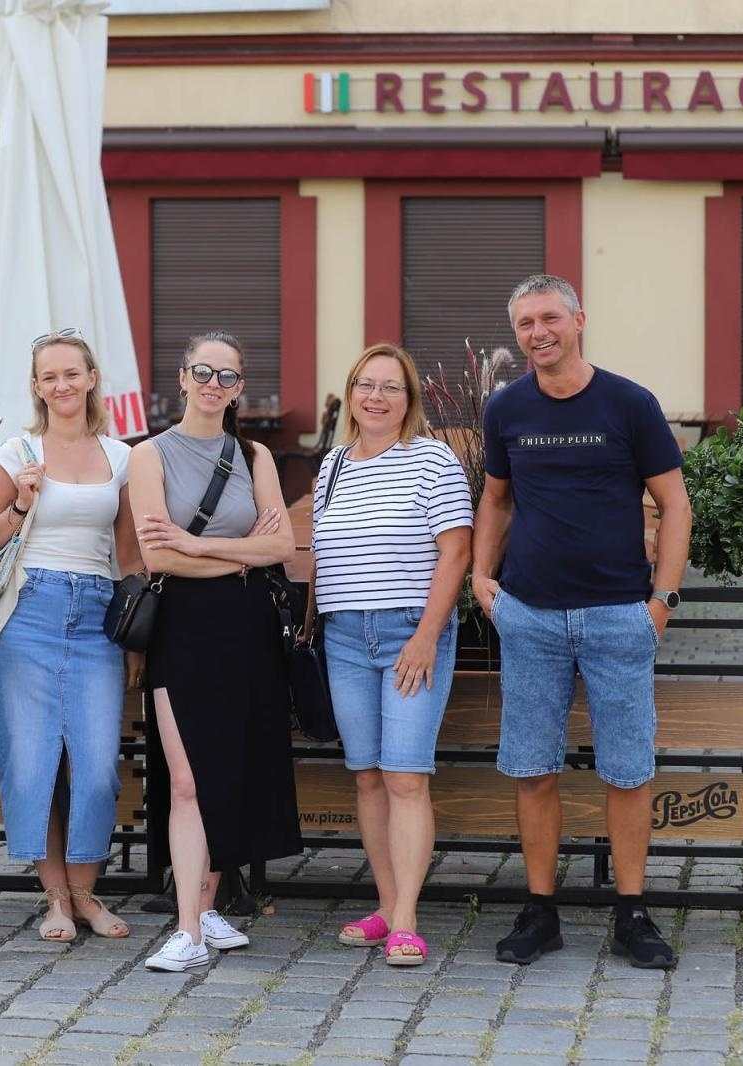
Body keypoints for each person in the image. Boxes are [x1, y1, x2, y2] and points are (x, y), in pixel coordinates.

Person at [472, 274, 692, 970]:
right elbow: (497, 500)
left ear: (578, 320)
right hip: (530, 616)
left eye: (550, 318)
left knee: (627, 773)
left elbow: (676, 505)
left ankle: (632, 916)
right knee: (533, 770)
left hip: (618, 617)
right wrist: (483, 579)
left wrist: (662, 603)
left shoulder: (629, 403)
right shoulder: (506, 410)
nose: (539, 333)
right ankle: (541, 914)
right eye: (526, 324)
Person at [128, 330, 301, 972]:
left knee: (230, 771)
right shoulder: (149, 456)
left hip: (247, 627)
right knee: (189, 779)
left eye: (227, 377)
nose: (214, 385)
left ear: (238, 389)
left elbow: (281, 550)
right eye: (203, 372)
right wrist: (236, 552)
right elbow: (155, 555)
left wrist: (199, 546)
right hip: (184, 627)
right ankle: (186, 931)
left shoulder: (253, 454)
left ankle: (207, 910)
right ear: (182, 377)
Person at [0, 328, 144, 942]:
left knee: (97, 768)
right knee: (34, 764)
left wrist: (133, 640)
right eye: (50, 376)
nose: (63, 384)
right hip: (30, 612)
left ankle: (87, 894)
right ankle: (56, 902)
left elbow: (129, 558)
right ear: (37, 387)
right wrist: (19, 504)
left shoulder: (122, 457)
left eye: (73, 373)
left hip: (97, 615)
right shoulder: (17, 453)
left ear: (92, 377)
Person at [310, 342, 472, 967]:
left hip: (411, 632)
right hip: (346, 637)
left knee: (405, 776)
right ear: (351, 394)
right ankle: (384, 904)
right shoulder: (334, 466)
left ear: (410, 400)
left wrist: (427, 634)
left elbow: (455, 552)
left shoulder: (432, 459)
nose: (376, 397)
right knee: (369, 776)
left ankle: (406, 919)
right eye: (365, 385)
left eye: (390, 387)